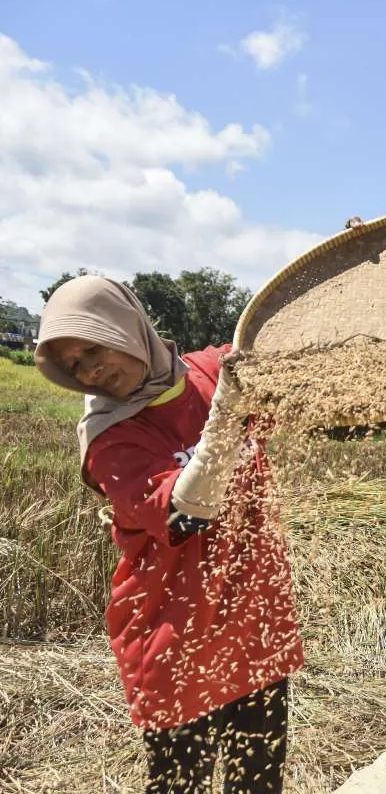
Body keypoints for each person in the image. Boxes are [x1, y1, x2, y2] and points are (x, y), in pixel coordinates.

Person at [34, 276, 304, 794]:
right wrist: (227, 412)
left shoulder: (211, 369)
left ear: (127, 326)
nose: (88, 368)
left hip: (254, 619)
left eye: (92, 347)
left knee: (260, 782)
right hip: (173, 636)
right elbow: (187, 513)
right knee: (183, 786)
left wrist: (356, 276)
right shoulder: (110, 438)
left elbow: (304, 353)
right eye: (73, 364)